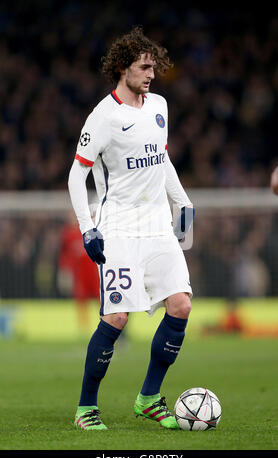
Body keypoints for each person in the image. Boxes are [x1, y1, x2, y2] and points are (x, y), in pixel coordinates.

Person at [68, 26, 194, 431]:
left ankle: (149, 397)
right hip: (119, 229)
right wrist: (88, 228)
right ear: (123, 68)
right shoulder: (103, 117)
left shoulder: (159, 105)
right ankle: (86, 407)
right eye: (144, 67)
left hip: (158, 227)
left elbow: (162, 159)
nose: (151, 74)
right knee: (117, 319)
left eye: (154, 67)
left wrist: (183, 202)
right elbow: (76, 176)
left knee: (181, 305)